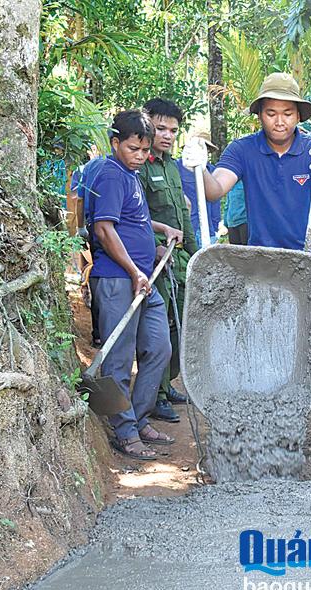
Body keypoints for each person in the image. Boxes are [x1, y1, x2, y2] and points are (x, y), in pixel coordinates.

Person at [181, 72, 311, 460]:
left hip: (310, 259)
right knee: (264, 336)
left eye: (287, 113)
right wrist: (199, 168)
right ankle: (263, 413)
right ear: (260, 114)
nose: (279, 121)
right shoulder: (244, 150)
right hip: (262, 263)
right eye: (271, 112)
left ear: (298, 116)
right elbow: (215, 190)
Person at [81, 109, 183, 460]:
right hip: (118, 279)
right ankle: (124, 432)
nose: (140, 156)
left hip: (142, 277)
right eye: (133, 149)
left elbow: (131, 219)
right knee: (120, 359)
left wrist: (159, 235)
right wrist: (134, 271)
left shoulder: (129, 174)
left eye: (144, 150)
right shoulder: (110, 174)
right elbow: (104, 229)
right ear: (114, 143)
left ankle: (138, 418)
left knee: (160, 349)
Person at [137, 98, 196, 422]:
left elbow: (182, 215)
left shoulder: (171, 166)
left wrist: (196, 252)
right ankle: (155, 395)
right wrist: (156, 246)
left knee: (182, 324)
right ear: (148, 126)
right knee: (159, 329)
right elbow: (137, 216)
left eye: (173, 130)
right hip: (156, 261)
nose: (168, 135)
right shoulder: (140, 166)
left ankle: (168, 383)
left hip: (181, 258)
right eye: (161, 128)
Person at [178, 130, 222, 247]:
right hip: (186, 229)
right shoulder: (176, 167)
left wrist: (215, 228)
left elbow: (215, 202)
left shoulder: (211, 170)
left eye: (204, 148)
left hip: (208, 229)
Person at [224, 179, 248, 245]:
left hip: (244, 222)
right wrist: (226, 222)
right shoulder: (231, 185)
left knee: (247, 251)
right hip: (231, 223)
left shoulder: (247, 183)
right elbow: (227, 204)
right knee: (234, 252)